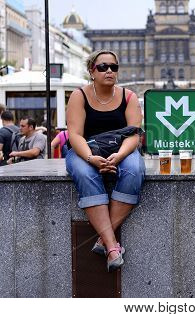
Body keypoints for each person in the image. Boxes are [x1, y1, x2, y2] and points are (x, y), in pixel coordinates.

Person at [65, 49, 145, 272]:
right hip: (84, 150)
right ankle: (111, 245)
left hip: (121, 150)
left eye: (114, 67)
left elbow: (134, 134)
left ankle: (104, 241)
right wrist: (91, 158)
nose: (109, 71)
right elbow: (75, 135)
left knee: (135, 169)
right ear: (92, 71)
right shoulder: (79, 95)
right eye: (103, 67)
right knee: (84, 173)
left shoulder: (129, 96)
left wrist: (119, 156)